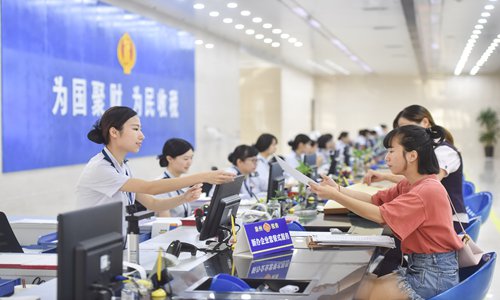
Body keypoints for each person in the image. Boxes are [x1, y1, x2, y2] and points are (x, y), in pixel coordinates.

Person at [310, 125, 462, 300]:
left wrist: (335, 196)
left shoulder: (425, 190)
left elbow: (380, 215)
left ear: (412, 155)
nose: (387, 158)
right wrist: (337, 189)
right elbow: (374, 200)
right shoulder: (411, 183)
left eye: (391, 151)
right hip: (423, 269)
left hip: (433, 277)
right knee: (356, 285)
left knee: (355, 292)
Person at [76, 106, 235, 219]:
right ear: (114, 132)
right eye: (135, 129)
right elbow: (150, 188)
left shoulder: (122, 167)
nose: (142, 136)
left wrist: (184, 198)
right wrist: (204, 176)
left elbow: (152, 203)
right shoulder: (100, 168)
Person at [364, 105, 468, 230]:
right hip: (434, 217)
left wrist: (386, 177)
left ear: (425, 122)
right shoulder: (429, 148)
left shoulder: (444, 151)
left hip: (451, 221)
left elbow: (425, 182)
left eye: (406, 128)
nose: (404, 134)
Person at [156, 138, 195, 217]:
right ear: (170, 159)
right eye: (186, 159)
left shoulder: (182, 182)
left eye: (191, 158)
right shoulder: (160, 185)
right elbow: (165, 222)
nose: (190, 162)